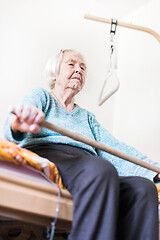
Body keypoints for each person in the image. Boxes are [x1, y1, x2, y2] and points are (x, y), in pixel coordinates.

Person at [4, 49, 159, 240]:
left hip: (86, 163)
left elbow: (115, 149)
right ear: (54, 73)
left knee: (143, 189)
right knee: (99, 168)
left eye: (83, 67)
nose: (78, 69)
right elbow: (16, 121)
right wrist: (18, 124)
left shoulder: (87, 117)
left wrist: (154, 170)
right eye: (71, 64)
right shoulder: (42, 96)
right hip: (50, 154)